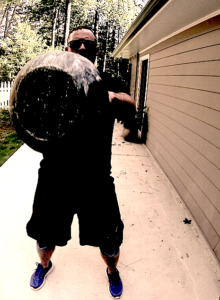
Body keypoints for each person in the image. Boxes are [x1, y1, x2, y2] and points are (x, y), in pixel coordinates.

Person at [27, 26, 136, 299]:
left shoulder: (107, 81)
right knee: (45, 237)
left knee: (110, 241)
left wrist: (113, 98)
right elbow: (26, 107)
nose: (83, 48)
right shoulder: (51, 80)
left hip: (96, 179)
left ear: (98, 51)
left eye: (89, 44)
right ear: (67, 48)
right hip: (54, 176)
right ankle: (44, 264)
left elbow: (131, 104)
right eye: (76, 43)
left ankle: (112, 270)